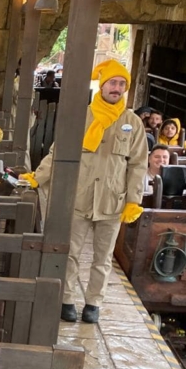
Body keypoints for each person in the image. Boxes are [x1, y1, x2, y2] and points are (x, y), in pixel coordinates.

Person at [27, 60, 147, 324]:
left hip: (112, 202)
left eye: (122, 84)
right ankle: (67, 298)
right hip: (80, 198)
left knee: (103, 259)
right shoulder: (81, 116)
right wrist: (37, 177)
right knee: (71, 253)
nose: (117, 88)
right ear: (102, 85)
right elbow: (58, 150)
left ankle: (94, 302)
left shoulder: (132, 123)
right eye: (112, 83)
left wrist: (133, 201)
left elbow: (138, 164)